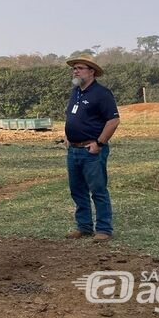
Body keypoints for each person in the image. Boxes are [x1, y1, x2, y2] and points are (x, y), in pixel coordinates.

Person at [63, 53, 119, 242]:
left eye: (79, 68)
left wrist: (100, 143)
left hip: (91, 150)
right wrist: (68, 137)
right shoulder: (76, 92)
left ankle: (103, 229)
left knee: (98, 189)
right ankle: (84, 226)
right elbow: (72, 117)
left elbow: (113, 120)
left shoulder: (102, 93)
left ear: (92, 71)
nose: (75, 71)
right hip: (74, 150)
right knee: (77, 190)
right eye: (74, 68)